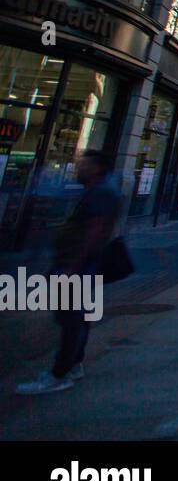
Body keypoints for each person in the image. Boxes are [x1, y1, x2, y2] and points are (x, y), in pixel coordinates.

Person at [17, 151, 123, 395]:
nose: (78, 168)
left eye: (84, 164)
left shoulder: (102, 193)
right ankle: (73, 365)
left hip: (78, 265)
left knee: (70, 318)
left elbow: (94, 232)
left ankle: (60, 374)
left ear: (97, 168)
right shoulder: (101, 191)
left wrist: (71, 266)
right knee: (75, 316)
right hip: (80, 264)